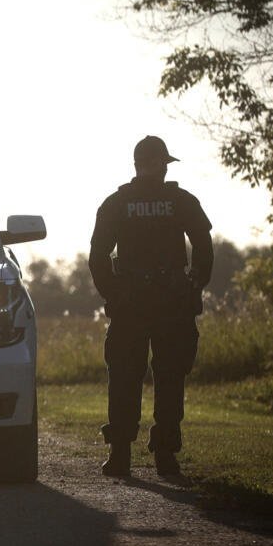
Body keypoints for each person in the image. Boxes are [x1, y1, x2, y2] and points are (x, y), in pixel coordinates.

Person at [88, 135, 213, 477]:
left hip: (132, 303)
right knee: (170, 378)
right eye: (162, 163)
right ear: (157, 163)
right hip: (171, 302)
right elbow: (203, 243)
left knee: (125, 377)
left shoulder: (117, 203)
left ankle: (121, 454)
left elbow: (97, 255)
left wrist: (113, 293)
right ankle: (165, 455)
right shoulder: (180, 200)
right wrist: (195, 284)